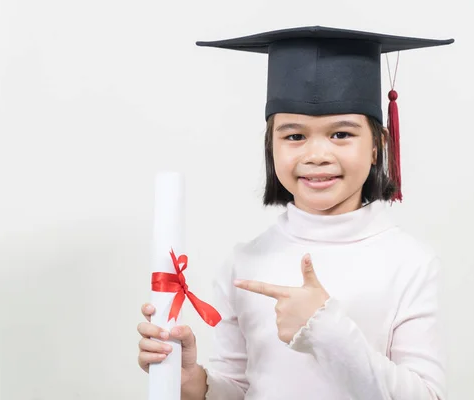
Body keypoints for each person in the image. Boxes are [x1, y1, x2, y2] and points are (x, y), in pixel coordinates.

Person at [137, 26, 454, 400]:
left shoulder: (410, 263)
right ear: (271, 145)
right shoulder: (245, 262)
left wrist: (325, 329)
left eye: (341, 134)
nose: (316, 154)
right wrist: (192, 381)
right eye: (294, 135)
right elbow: (240, 388)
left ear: (377, 146)